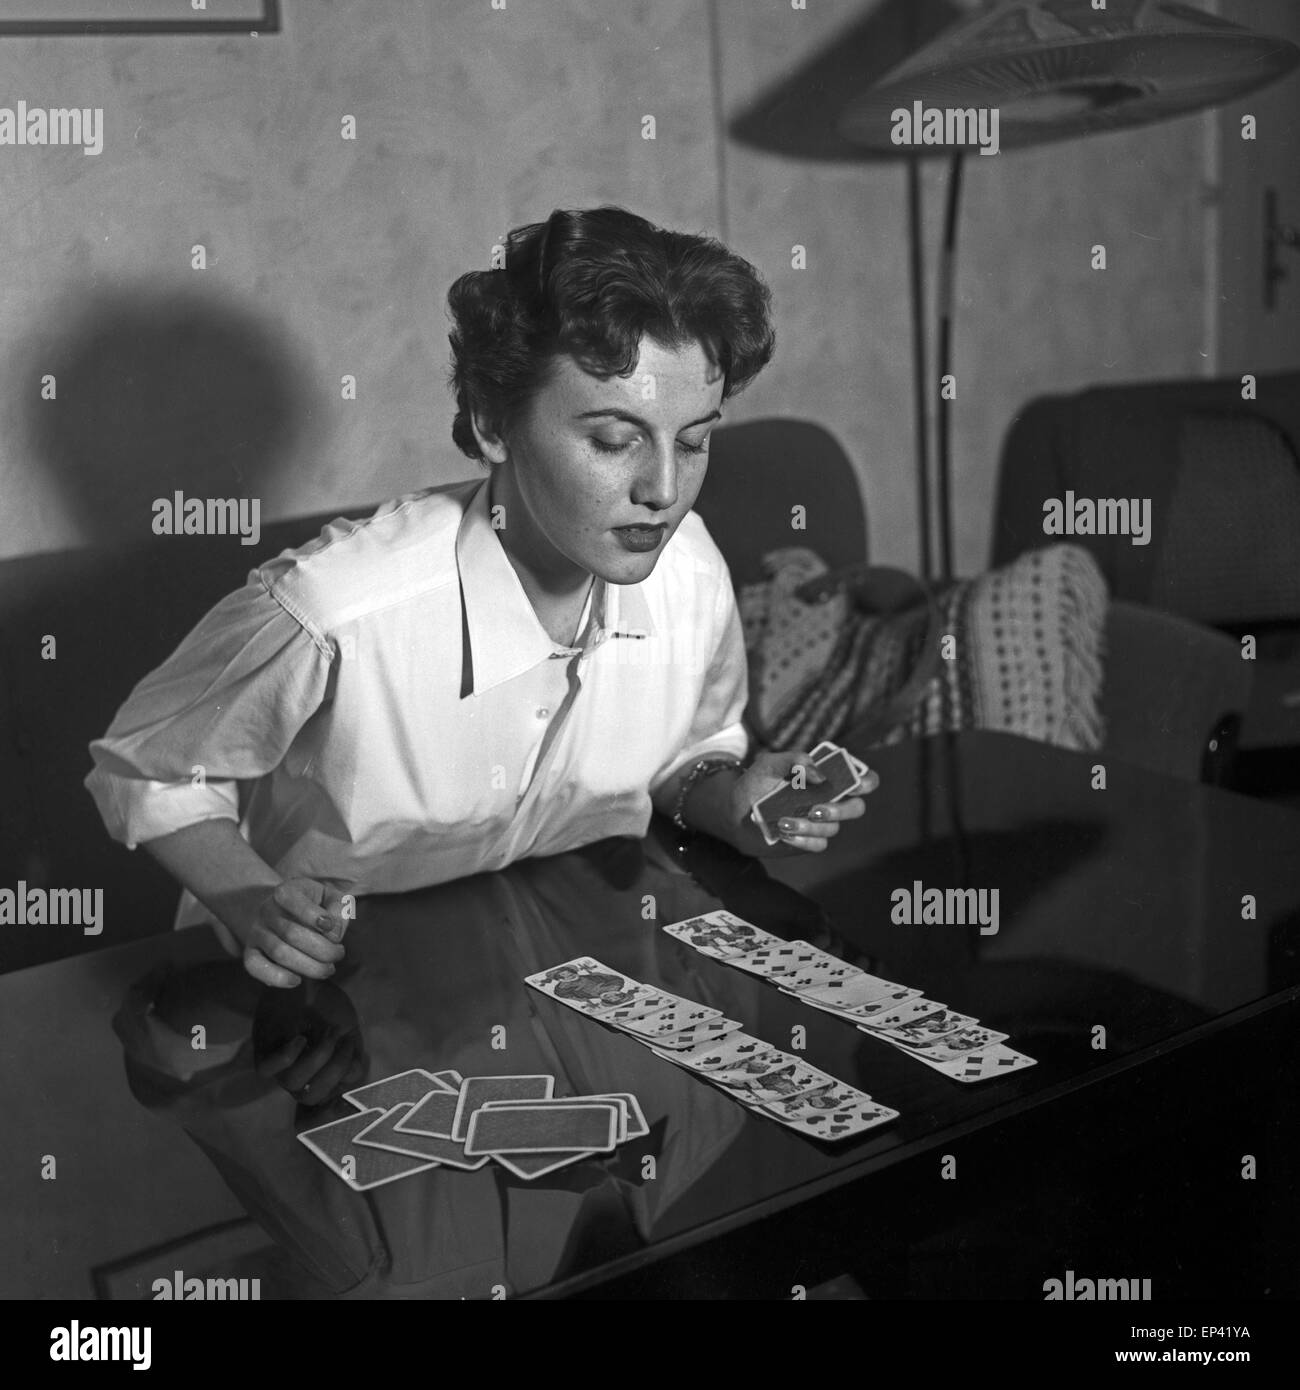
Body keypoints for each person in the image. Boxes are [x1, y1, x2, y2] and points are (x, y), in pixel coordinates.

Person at [86, 205, 874, 989]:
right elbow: (144, 772)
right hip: (322, 1003)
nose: (665, 491)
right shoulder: (331, 612)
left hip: (568, 967)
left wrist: (735, 800)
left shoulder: (691, 568)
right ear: (495, 424)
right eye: (612, 440)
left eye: (695, 440)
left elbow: (686, 756)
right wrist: (253, 902)